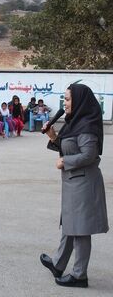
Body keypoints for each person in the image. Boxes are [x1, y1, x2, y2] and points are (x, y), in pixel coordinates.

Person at [41, 83, 108, 288]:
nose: (65, 103)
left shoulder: (87, 125)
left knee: (80, 230)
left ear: (79, 101)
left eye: (68, 99)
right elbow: (69, 147)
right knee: (71, 225)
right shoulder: (75, 123)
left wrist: (65, 162)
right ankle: (59, 264)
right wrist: (53, 137)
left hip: (84, 182)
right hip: (74, 182)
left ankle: (79, 275)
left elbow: (89, 154)